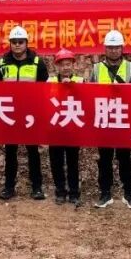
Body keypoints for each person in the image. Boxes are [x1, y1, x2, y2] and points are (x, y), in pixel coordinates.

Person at [0, 26, 49, 200]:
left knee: (33, 151)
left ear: (26, 43)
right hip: (9, 113)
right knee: (10, 152)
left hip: (30, 114)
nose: (17, 45)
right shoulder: (3, 63)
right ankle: (9, 187)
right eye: (14, 42)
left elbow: (45, 89)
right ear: (10, 44)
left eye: (20, 42)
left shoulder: (37, 63)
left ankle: (37, 187)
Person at [88, 30, 131, 209]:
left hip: (123, 118)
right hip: (104, 118)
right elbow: (90, 93)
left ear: (122, 48)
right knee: (104, 159)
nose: (114, 50)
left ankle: (129, 194)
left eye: (117, 47)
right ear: (105, 49)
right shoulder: (96, 69)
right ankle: (105, 193)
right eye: (110, 47)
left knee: (125, 158)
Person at [49, 48, 82, 206]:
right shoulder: (50, 81)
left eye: (68, 64)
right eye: (62, 64)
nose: (66, 67)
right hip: (55, 127)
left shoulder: (81, 81)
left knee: (72, 162)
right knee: (56, 162)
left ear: (73, 65)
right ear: (57, 66)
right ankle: (60, 191)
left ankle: (74, 192)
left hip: (72, 127)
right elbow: (45, 98)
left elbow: (86, 99)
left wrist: (72, 87)